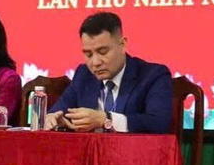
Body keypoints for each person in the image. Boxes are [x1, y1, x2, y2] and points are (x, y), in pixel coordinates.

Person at [45, 11, 173, 134]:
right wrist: (53, 119)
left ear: (122, 45)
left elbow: (158, 123)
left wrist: (105, 119)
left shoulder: (153, 75)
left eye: (103, 52)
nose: (95, 62)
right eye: (88, 54)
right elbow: (59, 111)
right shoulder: (84, 75)